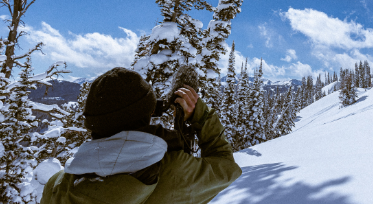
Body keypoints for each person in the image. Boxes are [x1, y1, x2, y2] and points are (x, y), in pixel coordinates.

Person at [41, 67, 242, 204]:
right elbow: (226, 167)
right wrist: (201, 116)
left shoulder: (57, 185)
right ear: (147, 114)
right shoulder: (172, 173)